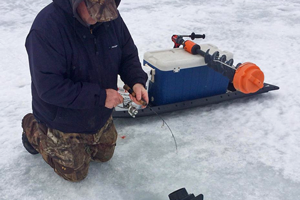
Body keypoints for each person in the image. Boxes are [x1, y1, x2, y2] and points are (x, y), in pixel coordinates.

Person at [22, 0, 148, 182]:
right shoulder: (46, 29)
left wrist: (136, 81)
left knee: (104, 155)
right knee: (74, 173)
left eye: (105, 10)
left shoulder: (109, 17)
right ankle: (33, 128)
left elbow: (127, 54)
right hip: (62, 117)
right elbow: (49, 88)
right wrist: (101, 97)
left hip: (98, 113)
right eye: (93, 10)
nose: (99, 18)